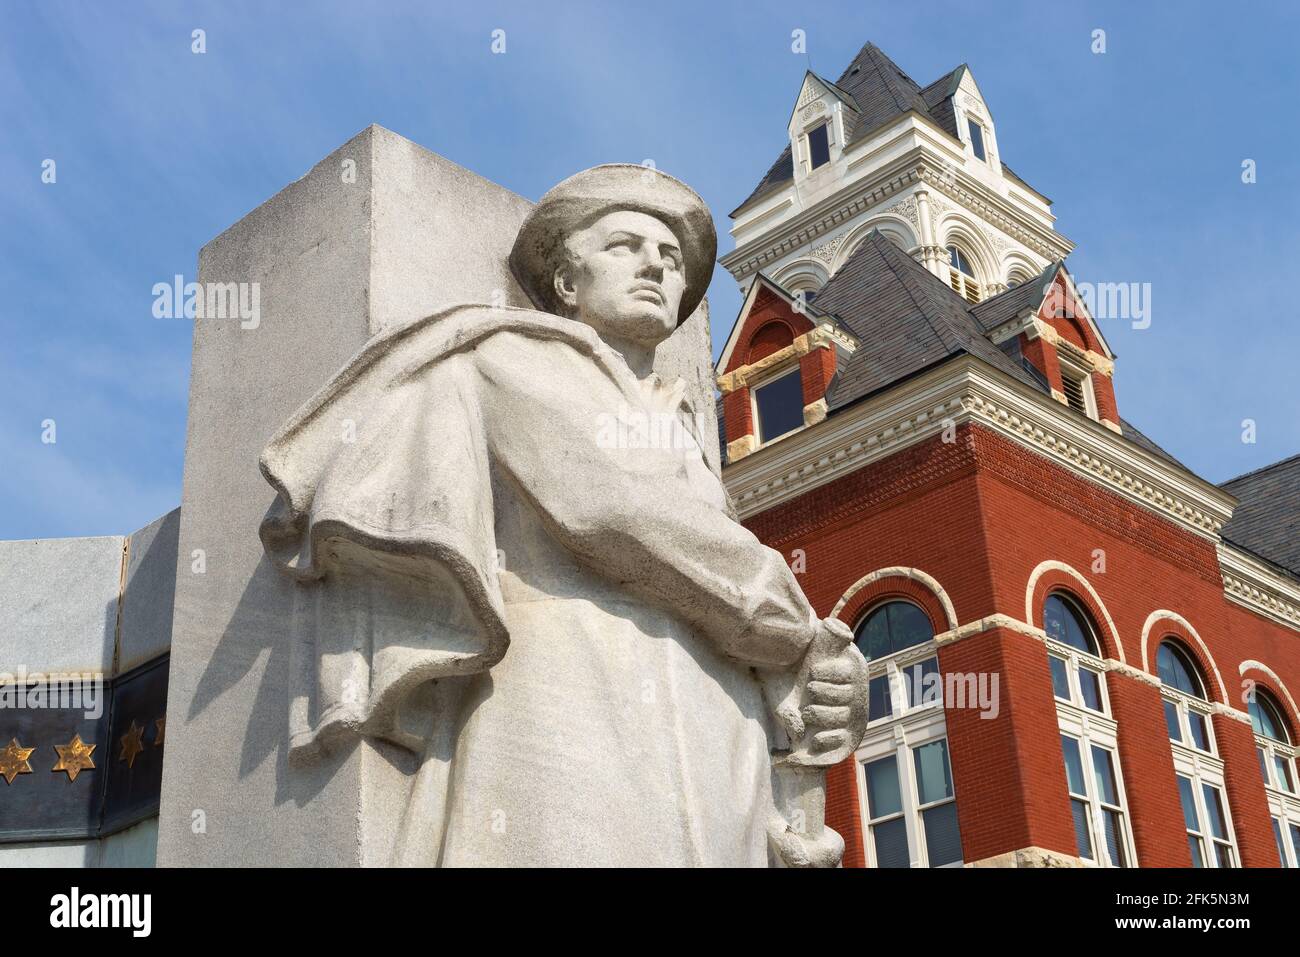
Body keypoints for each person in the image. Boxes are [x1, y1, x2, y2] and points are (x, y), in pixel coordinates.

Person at [258, 165, 868, 866]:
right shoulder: (519, 357)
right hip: (573, 712)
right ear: (566, 284)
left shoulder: (684, 427)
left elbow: (704, 563)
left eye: (671, 258)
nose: (654, 266)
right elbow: (612, 508)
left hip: (716, 745)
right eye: (624, 246)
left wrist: (816, 685)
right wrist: (794, 629)